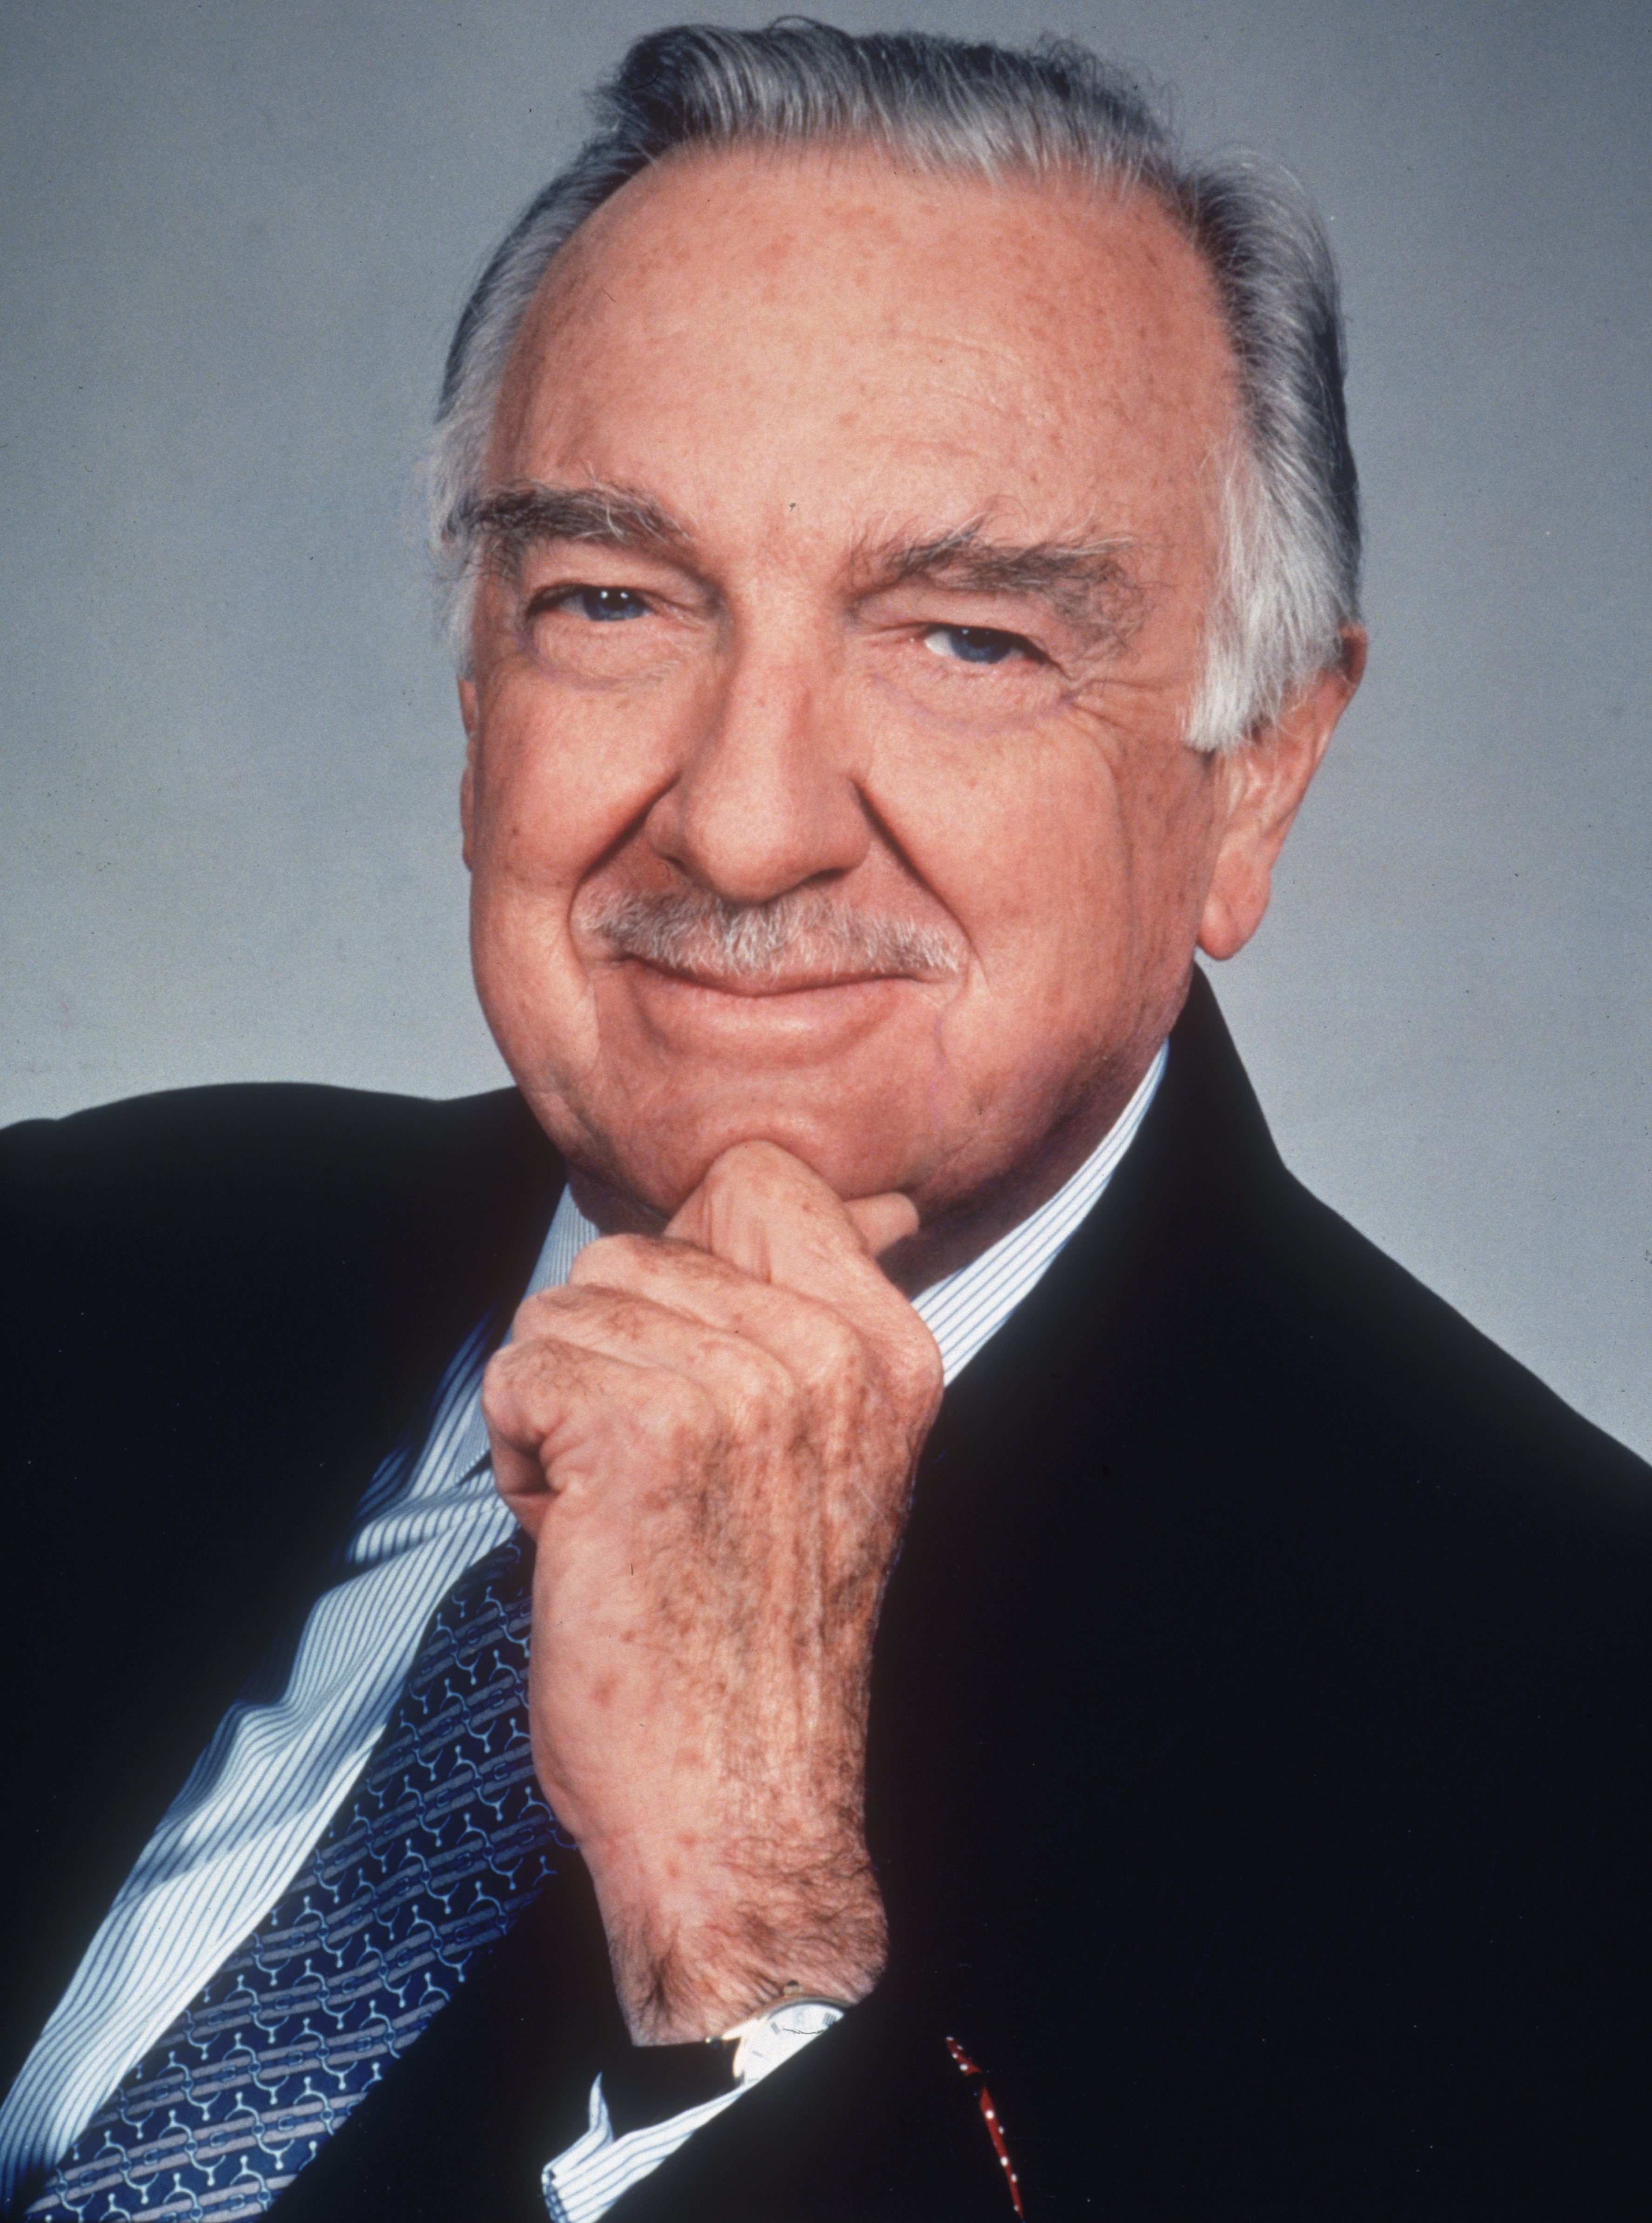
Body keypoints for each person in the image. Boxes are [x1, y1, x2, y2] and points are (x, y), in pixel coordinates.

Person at [1, 20, 1645, 2222]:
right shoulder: (82, 1258)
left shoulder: (1571, 1733)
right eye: (612, 600)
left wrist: (746, 1944)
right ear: (478, 690)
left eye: (964, 638)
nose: (750, 822)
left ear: (1255, 777)